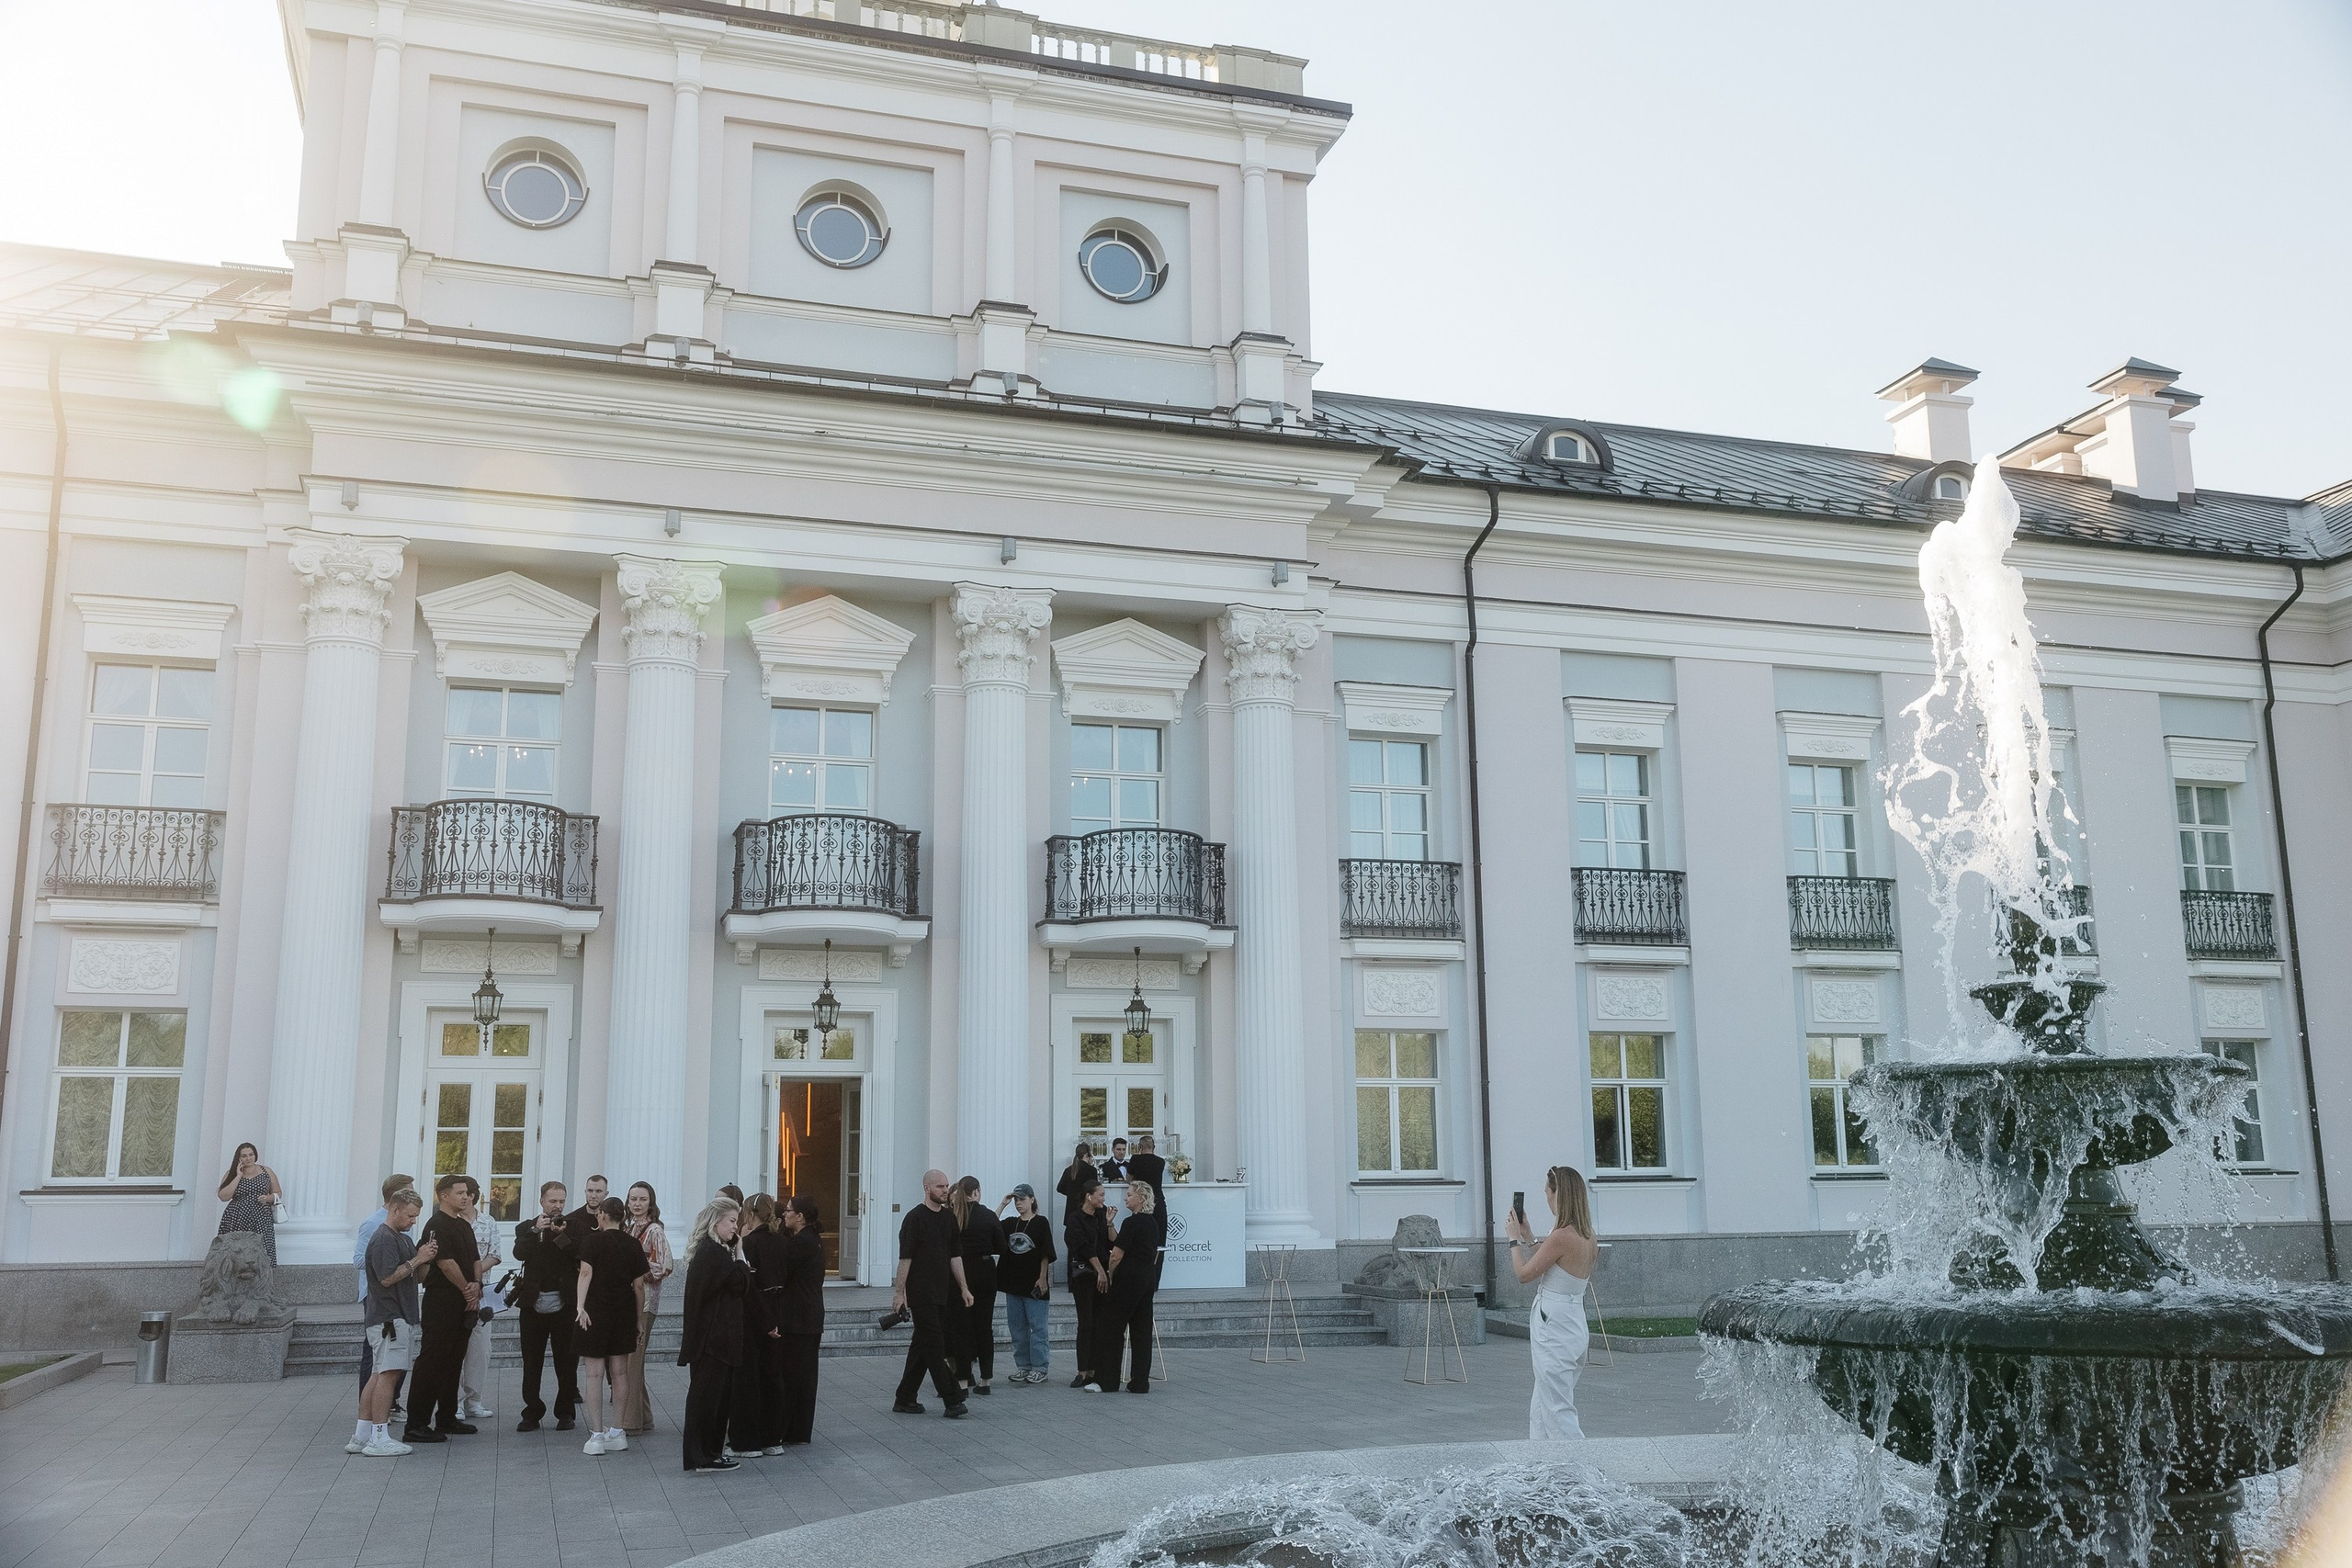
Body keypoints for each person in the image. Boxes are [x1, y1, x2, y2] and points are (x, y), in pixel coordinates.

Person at [1504, 1165, 1600, 1441]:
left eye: (1547, 1192)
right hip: (1571, 1322)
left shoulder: (1561, 1237)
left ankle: (1581, 1474)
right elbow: (1555, 1267)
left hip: (1555, 1326)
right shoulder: (1586, 1235)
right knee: (1542, 1407)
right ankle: (1544, 1472)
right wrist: (1529, 1237)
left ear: (1560, 1195)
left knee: (1557, 1411)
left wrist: (1513, 1240)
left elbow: (1524, 1274)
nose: (1546, 1198)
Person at [352, 1188, 435, 1457]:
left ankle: (362, 1436)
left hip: (392, 1316)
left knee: (379, 1374)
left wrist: (425, 1258)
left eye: (416, 1216)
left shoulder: (401, 1238)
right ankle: (379, 1437)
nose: (413, 1221)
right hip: (390, 1317)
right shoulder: (385, 1239)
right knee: (388, 1375)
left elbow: (417, 1277)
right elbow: (387, 1278)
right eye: (410, 1215)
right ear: (395, 1210)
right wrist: (418, 1259)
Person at [402, 1174, 481, 1443]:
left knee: (453, 1360)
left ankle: (447, 1417)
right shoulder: (436, 1225)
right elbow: (445, 1263)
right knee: (432, 1360)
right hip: (442, 1299)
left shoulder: (464, 1225)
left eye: (467, 1193)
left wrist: (476, 1287)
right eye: (460, 1192)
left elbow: (475, 1261)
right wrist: (466, 1289)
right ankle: (416, 1424)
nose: (466, 1196)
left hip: (464, 1298)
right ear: (444, 1196)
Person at [889, 1168, 971, 1418]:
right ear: (927, 1188)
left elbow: (954, 1256)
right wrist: (899, 1293)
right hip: (921, 1293)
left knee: (922, 1345)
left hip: (942, 1292)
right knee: (935, 1346)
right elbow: (905, 1259)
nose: (945, 1191)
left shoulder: (948, 1219)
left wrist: (964, 1287)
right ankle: (953, 1399)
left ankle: (905, 1398)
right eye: (939, 1187)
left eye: (946, 1186)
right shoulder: (914, 1219)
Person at [679, 1197, 750, 1472]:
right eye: (732, 1221)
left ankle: (709, 1453)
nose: (736, 1227)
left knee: (713, 1399)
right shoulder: (714, 1253)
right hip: (714, 1340)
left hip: (713, 1339)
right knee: (707, 1400)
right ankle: (703, 1455)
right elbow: (741, 1283)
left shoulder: (711, 1251)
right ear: (716, 1221)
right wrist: (740, 1253)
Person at [575, 1195, 648, 1456]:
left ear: (604, 1214)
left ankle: (596, 1435)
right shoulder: (633, 1244)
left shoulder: (592, 1241)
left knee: (593, 1374)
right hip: (623, 1312)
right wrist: (639, 1319)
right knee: (620, 1373)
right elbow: (639, 1287)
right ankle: (617, 1431)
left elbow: (586, 1273)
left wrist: (579, 1306)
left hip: (595, 1311)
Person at [513, 1179, 580, 1432]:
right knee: (531, 1362)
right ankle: (531, 1412)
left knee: (567, 1361)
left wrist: (559, 1235)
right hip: (533, 1304)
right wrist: (535, 1231)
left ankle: (565, 1412)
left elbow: (577, 1254)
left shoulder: (572, 1227)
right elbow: (519, 1253)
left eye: (562, 1201)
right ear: (542, 1201)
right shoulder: (526, 1227)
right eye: (552, 1201)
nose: (557, 1206)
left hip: (565, 1304)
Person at [1091, 1179, 1162, 1394]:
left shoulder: (1133, 1223)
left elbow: (1115, 1256)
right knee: (1141, 1332)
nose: (1126, 1197)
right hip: (1146, 1280)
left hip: (1128, 1281)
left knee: (1110, 1329)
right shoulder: (1152, 1223)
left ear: (1140, 1198)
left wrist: (1112, 1278)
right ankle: (1140, 1382)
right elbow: (1122, 1242)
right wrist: (1110, 1224)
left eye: (1129, 1194)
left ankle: (1108, 1381)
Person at [353, 1173, 414, 1402]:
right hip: (377, 1297)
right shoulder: (374, 1224)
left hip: (401, 1296)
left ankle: (391, 1402)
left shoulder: (405, 1221)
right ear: (397, 1197)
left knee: (397, 1355)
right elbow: (359, 1259)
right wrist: (394, 1262)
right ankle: (368, 1408)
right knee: (376, 1354)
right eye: (410, 1191)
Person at [616, 1181, 673, 1435]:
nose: (637, 1204)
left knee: (632, 1363)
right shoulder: (627, 1227)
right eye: (633, 1199)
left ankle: (631, 1422)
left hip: (646, 1302)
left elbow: (664, 1266)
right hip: (628, 1301)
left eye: (642, 1199)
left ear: (651, 1202)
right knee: (631, 1360)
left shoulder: (654, 1231)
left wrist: (635, 1272)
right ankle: (645, 1416)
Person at [731, 1193, 784, 1456]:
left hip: (754, 1317)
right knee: (772, 1377)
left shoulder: (747, 1244)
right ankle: (772, 1439)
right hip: (778, 1312)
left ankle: (746, 1441)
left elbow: (748, 1287)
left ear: (750, 1214)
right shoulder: (783, 1242)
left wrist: (764, 1322)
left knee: (747, 1379)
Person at [772, 1197, 825, 1443]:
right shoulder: (813, 1239)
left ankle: (789, 1429)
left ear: (800, 1216)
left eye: (788, 1212)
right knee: (805, 1375)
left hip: (798, 1316)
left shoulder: (800, 1243)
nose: (785, 1215)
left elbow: (781, 1272)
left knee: (793, 1376)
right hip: (810, 1314)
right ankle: (800, 1429)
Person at [995, 1184, 1056, 1384]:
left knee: (1038, 1327)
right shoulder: (1011, 1223)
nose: (1019, 1203)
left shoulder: (1040, 1222)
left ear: (1031, 1199)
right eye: (1016, 1200)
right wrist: (1003, 1204)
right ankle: (1023, 1366)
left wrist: (1042, 1277)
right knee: (1017, 1328)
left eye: (1022, 1199)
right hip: (1013, 1283)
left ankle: (1040, 1367)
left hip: (1034, 1284)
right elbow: (991, 1226)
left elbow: (1045, 1252)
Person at [950, 1176, 1004, 1395]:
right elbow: (1001, 1247)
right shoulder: (988, 1215)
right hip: (985, 1272)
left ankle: (962, 1379)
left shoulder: (954, 1217)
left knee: (962, 1328)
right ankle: (985, 1380)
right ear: (977, 1192)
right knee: (984, 1328)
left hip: (961, 1273)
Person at [458, 1181, 504, 1421]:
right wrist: (463, 1279)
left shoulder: (489, 1223)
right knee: (456, 1348)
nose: (463, 1198)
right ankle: (453, 1402)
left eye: (466, 1194)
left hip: (483, 1292)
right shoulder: (450, 1222)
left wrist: (474, 1277)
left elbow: (495, 1255)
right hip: (456, 1290)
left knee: (480, 1349)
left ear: (473, 1196)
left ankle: (473, 1400)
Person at [1063, 1177, 1114, 1390]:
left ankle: (1095, 1369)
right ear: (1089, 1196)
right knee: (1086, 1323)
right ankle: (1082, 1370)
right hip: (1085, 1276)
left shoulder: (1102, 1216)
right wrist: (1100, 1270)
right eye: (1101, 1194)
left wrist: (1110, 1223)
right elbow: (1082, 1247)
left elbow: (1112, 1242)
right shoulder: (1075, 1219)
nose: (1103, 1198)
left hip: (1102, 1276)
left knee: (1100, 1323)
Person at [215, 1142, 283, 1265]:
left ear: (255, 1155)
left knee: (261, 1249)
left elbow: (278, 1192)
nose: (248, 1158)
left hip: (261, 1217)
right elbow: (223, 1196)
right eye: (244, 1156)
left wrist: (268, 1198)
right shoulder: (231, 1173)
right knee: (236, 1251)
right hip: (236, 1218)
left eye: (251, 1154)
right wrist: (238, 1176)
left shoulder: (266, 1171)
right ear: (239, 1158)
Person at [1055, 1141, 1098, 1231]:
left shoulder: (1069, 1170)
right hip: (1085, 1210)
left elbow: (1059, 1188)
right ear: (1087, 1155)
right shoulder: (1091, 1170)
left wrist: (1071, 1193)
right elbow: (1094, 1191)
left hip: (1071, 1210)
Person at [565, 1174, 610, 1247]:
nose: (593, 1196)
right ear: (585, 1192)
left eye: (598, 1191)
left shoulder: (611, 1220)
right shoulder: (571, 1219)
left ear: (606, 1194)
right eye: (590, 1191)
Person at [1126, 1134, 1167, 1200]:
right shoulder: (1161, 1161)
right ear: (1154, 1147)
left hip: (1140, 1198)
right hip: (1157, 1197)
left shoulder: (1135, 1159)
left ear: (1140, 1147)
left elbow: (1129, 1180)